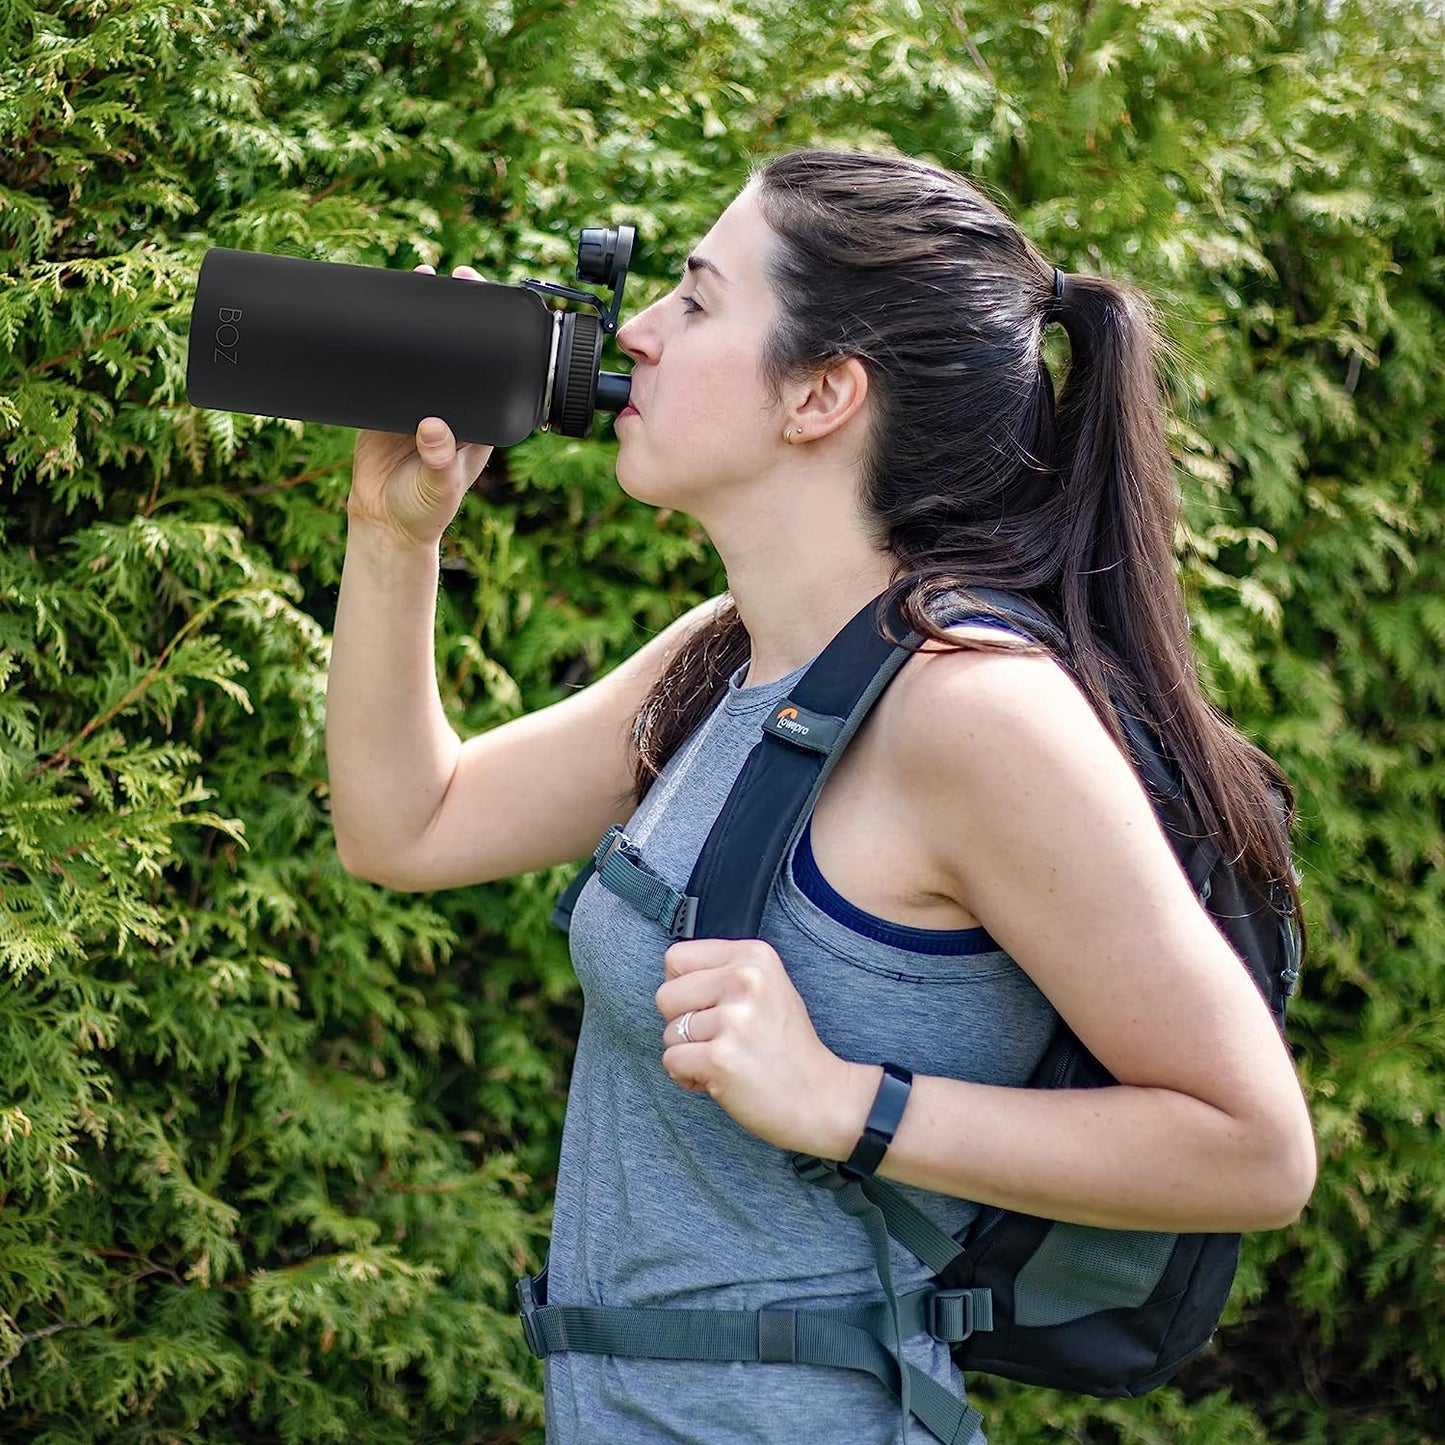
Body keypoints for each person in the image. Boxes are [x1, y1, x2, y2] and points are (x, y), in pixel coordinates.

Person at [325, 148, 1317, 1443]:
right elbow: (408, 825)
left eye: (692, 297)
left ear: (821, 394)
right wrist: (394, 535)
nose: (634, 331)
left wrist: (845, 1099)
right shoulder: (733, 650)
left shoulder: (974, 715)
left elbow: (1252, 1146)